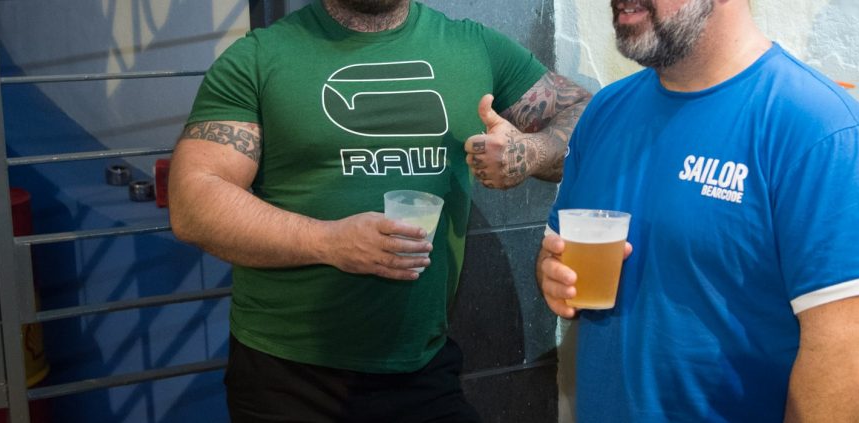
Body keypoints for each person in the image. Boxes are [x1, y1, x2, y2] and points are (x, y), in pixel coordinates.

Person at [168, 0, 590, 421]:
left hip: (423, 366)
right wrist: (328, 242)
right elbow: (193, 201)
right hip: (289, 377)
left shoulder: (473, 46)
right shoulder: (259, 57)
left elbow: (590, 117)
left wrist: (530, 152)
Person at [537, 0, 859, 421]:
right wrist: (550, 274)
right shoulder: (606, 110)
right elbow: (554, 255)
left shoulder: (823, 131)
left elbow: (850, 353)